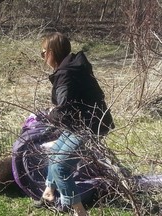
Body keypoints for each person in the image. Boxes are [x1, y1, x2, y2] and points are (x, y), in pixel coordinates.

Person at [36, 32, 115, 215]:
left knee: (61, 166)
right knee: (55, 153)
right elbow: (73, 102)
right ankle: (49, 193)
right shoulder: (73, 66)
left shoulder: (66, 75)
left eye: (43, 52)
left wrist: (50, 114)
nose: (42, 57)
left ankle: (80, 212)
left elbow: (64, 111)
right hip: (82, 122)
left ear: (52, 52)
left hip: (89, 126)